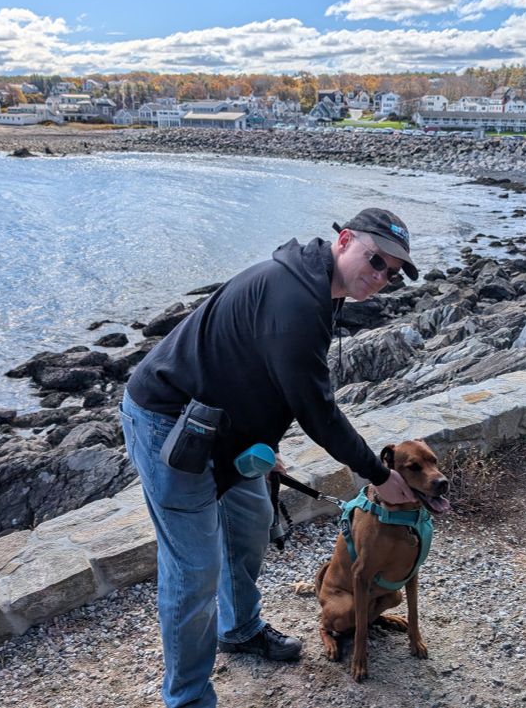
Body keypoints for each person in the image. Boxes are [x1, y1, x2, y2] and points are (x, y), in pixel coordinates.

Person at [119, 207, 420, 708]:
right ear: (344, 241)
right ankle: (188, 698)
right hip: (169, 423)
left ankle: (239, 628)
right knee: (193, 571)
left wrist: (266, 445)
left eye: (392, 272)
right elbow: (317, 411)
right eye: (376, 260)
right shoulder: (296, 299)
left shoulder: (319, 286)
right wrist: (379, 474)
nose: (381, 277)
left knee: (251, 521)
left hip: (225, 429)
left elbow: (257, 372)